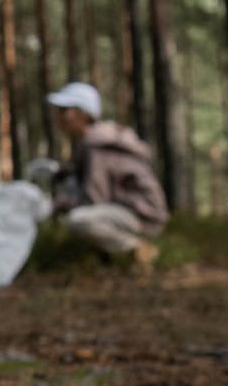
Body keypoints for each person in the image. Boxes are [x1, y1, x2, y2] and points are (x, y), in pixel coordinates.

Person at [44, 82, 168, 269]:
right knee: (74, 202)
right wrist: (59, 173)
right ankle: (109, 261)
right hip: (133, 210)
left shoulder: (96, 146)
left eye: (65, 110)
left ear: (83, 114)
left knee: (77, 219)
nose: (59, 117)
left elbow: (95, 198)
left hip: (143, 214)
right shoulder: (94, 142)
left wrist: (56, 205)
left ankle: (137, 249)